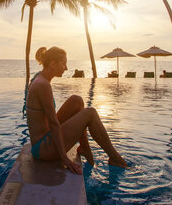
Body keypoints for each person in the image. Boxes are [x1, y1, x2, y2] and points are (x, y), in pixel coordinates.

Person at [26, 46, 127, 175]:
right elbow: (54, 123)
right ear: (53, 64)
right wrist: (65, 159)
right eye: (64, 63)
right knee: (90, 113)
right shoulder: (43, 85)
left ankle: (84, 148)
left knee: (76, 100)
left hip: (45, 140)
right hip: (43, 149)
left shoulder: (39, 79)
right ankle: (115, 158)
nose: (66, 68)